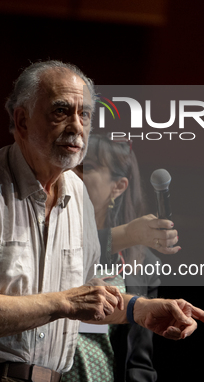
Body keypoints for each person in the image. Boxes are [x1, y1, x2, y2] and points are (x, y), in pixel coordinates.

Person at [0, 60, 204, 382]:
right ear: (21, 121)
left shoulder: (77, 195)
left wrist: (140, 310)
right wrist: (65, 301)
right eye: (61, 111)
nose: (76, 126)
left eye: (84, 114)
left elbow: (89, 299)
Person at [64, 134, 175, 382]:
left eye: (87, 167)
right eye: (72, 165)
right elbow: (69, 252)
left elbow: (138, 360)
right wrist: (129, 233)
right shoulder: (49, 233)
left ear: (118, 186)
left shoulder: (143, 262)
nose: (74, 173)